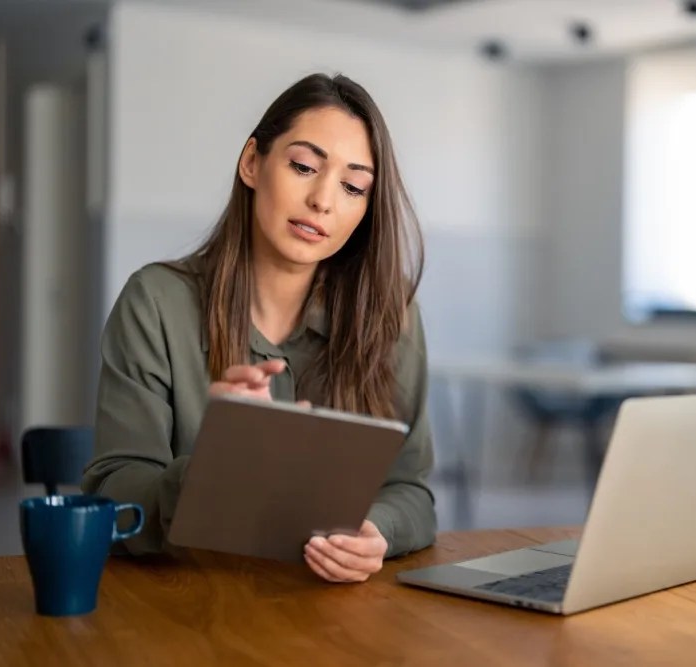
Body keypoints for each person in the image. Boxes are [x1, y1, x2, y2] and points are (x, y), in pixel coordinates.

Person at [82, 73, 436, 583]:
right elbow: (112, 499)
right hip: (189, 605)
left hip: (328, 613)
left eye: (353, 186)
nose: (323, 200)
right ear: (252, 162)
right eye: (303, 166)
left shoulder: (391, 313)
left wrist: (377, 529)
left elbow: (414, 492)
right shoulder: (157, 301)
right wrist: (216, 463)